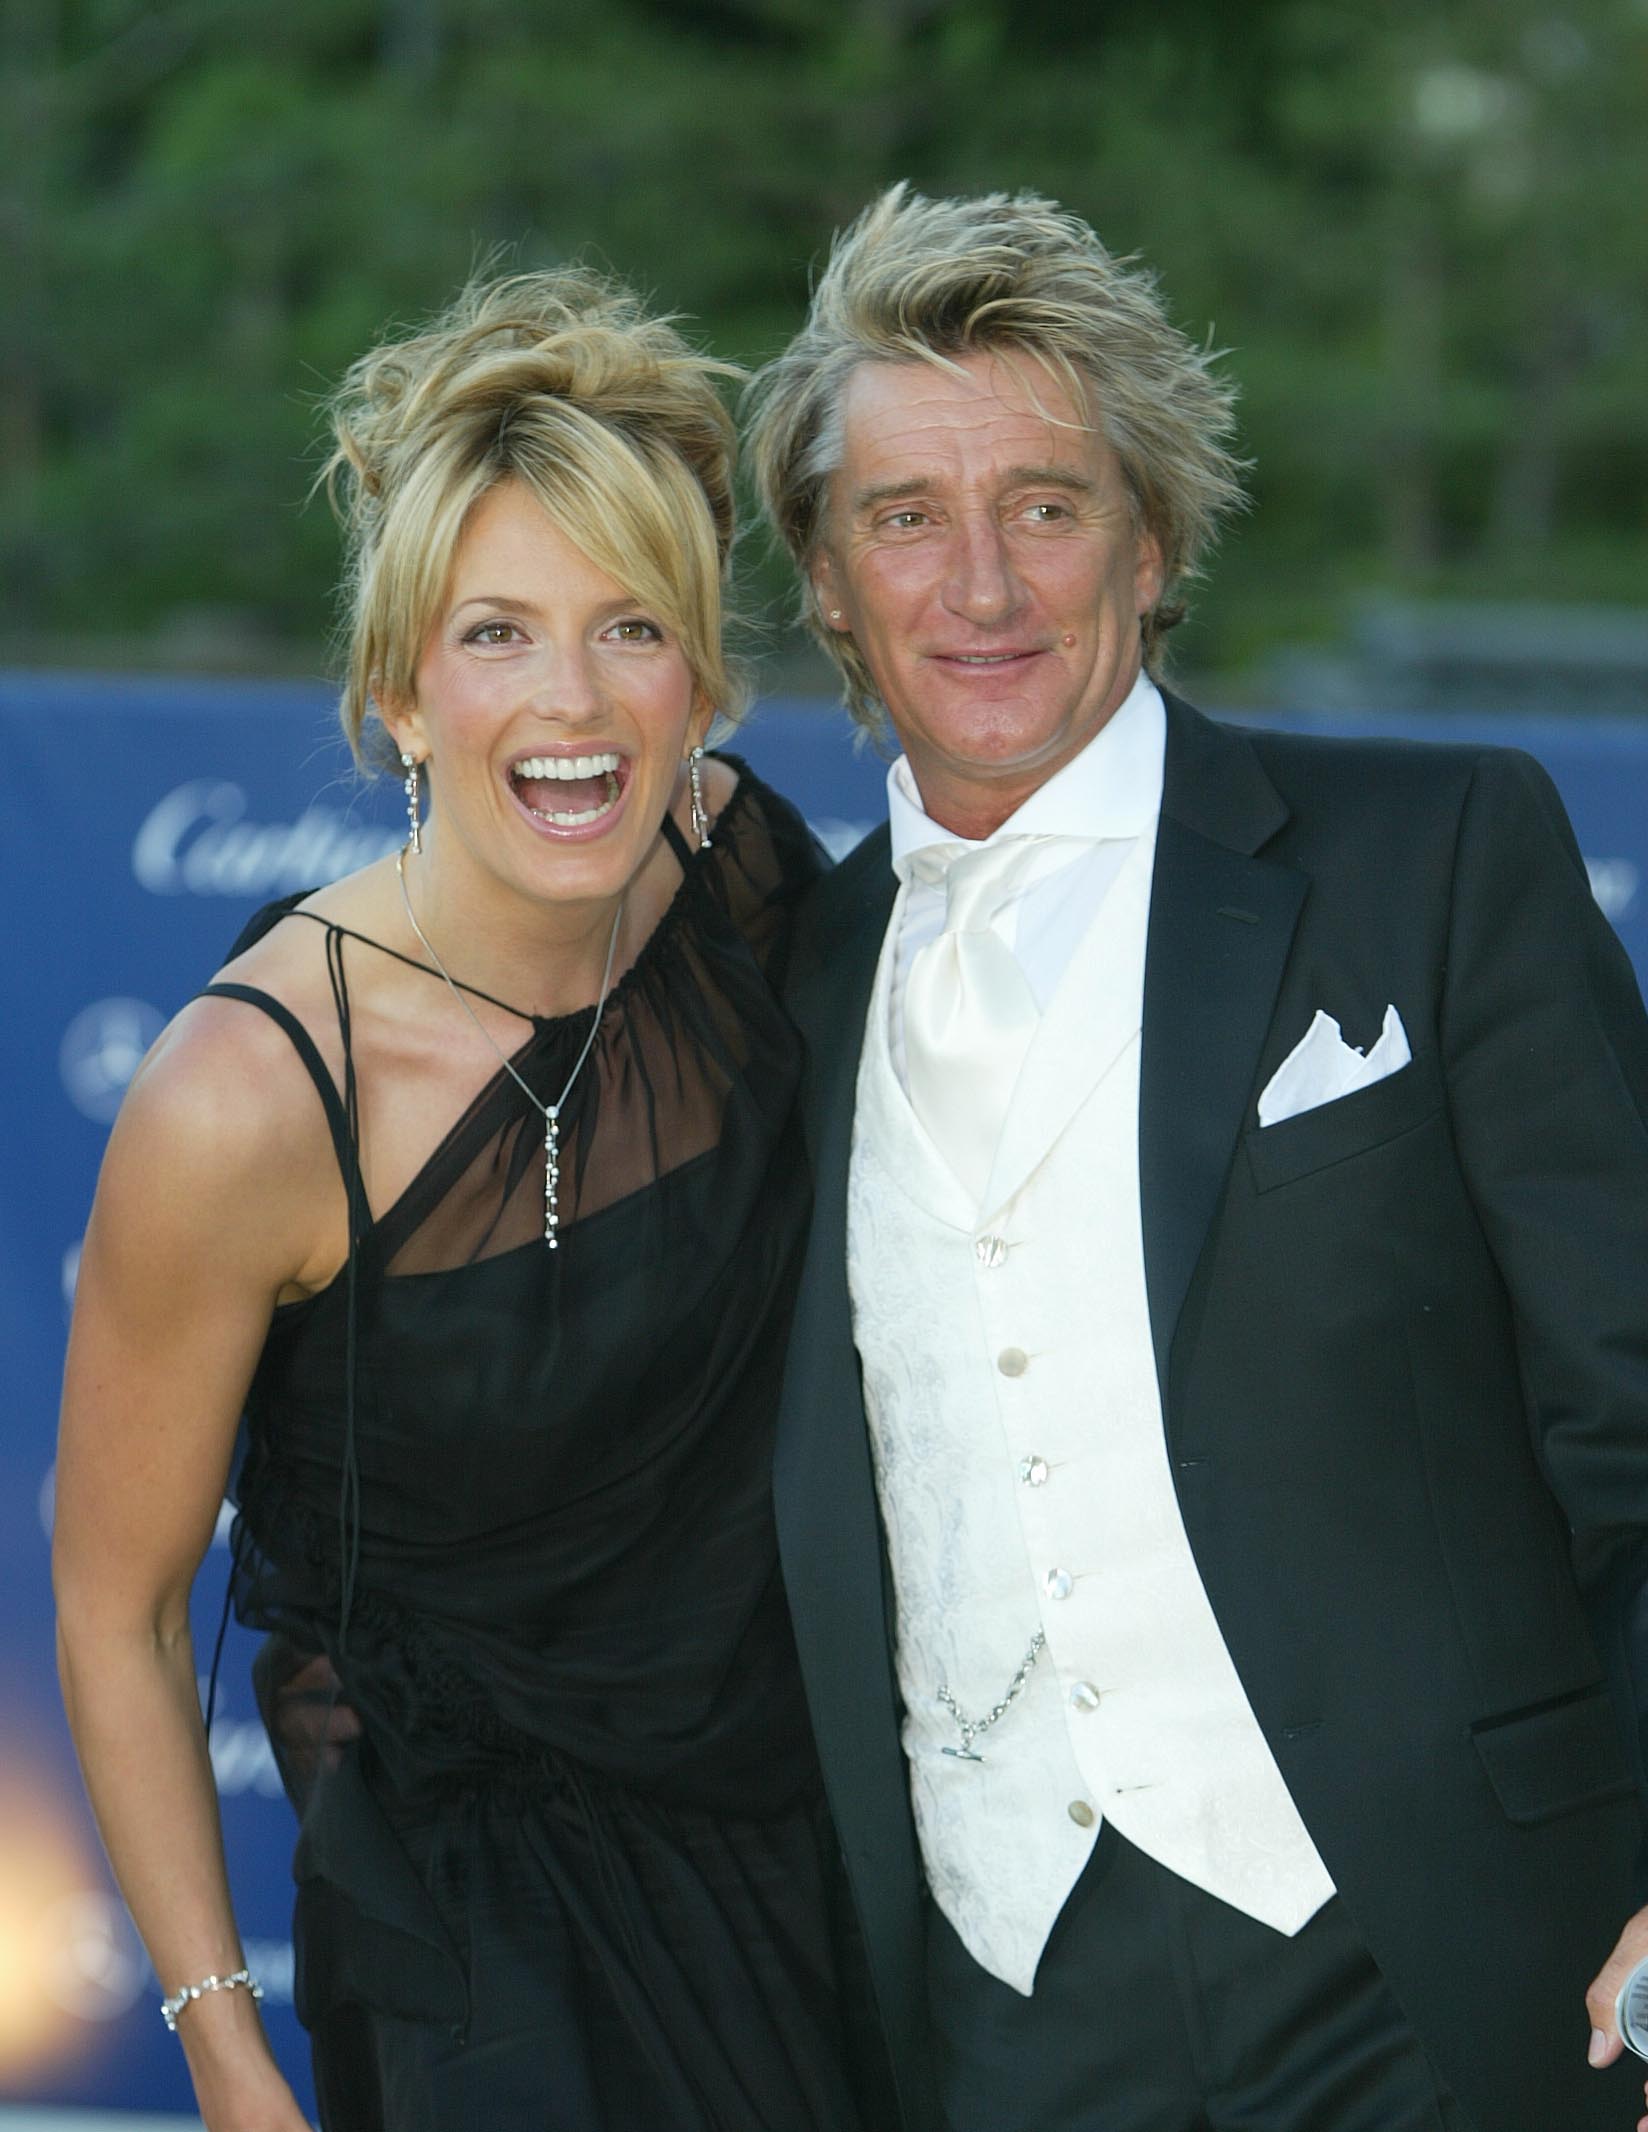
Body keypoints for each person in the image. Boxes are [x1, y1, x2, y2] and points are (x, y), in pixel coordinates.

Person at [745, 183, 1648, 2132]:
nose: (976, 584)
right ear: (825, 579)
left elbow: (1634, 1408)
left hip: (1454, 1970)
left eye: (1044, 505)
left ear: (1149, 544)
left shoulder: (1433, 854)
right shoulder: (788, 983)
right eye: (904, 517)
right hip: (998, 2008)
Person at [53, 268, 877, 2132]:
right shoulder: (247, 1099)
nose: (571, 703)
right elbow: (120, 1606)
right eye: (497, 633)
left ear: (702, 680)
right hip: (466, 1940)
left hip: (808, 1859)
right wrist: (223, 2054)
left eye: (630, 629)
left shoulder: (749, 887)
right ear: (398, 692)